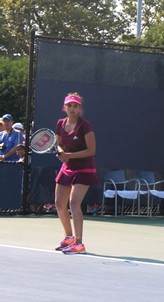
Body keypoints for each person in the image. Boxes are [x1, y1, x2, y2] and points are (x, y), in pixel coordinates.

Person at [54, 93, 98, 254]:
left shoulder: (85, 126)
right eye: (69, 105)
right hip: (67, 167)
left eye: (75, 106)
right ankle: (69, 238)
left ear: (79, 109)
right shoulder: (60, 124)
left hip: (84, 168)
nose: (72, 108)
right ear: (64, 107)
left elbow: (91, 150)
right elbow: (59, 144)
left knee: (73, 203)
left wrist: (69, 156)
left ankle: (79, 244)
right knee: (59, 203)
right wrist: (61, 153)